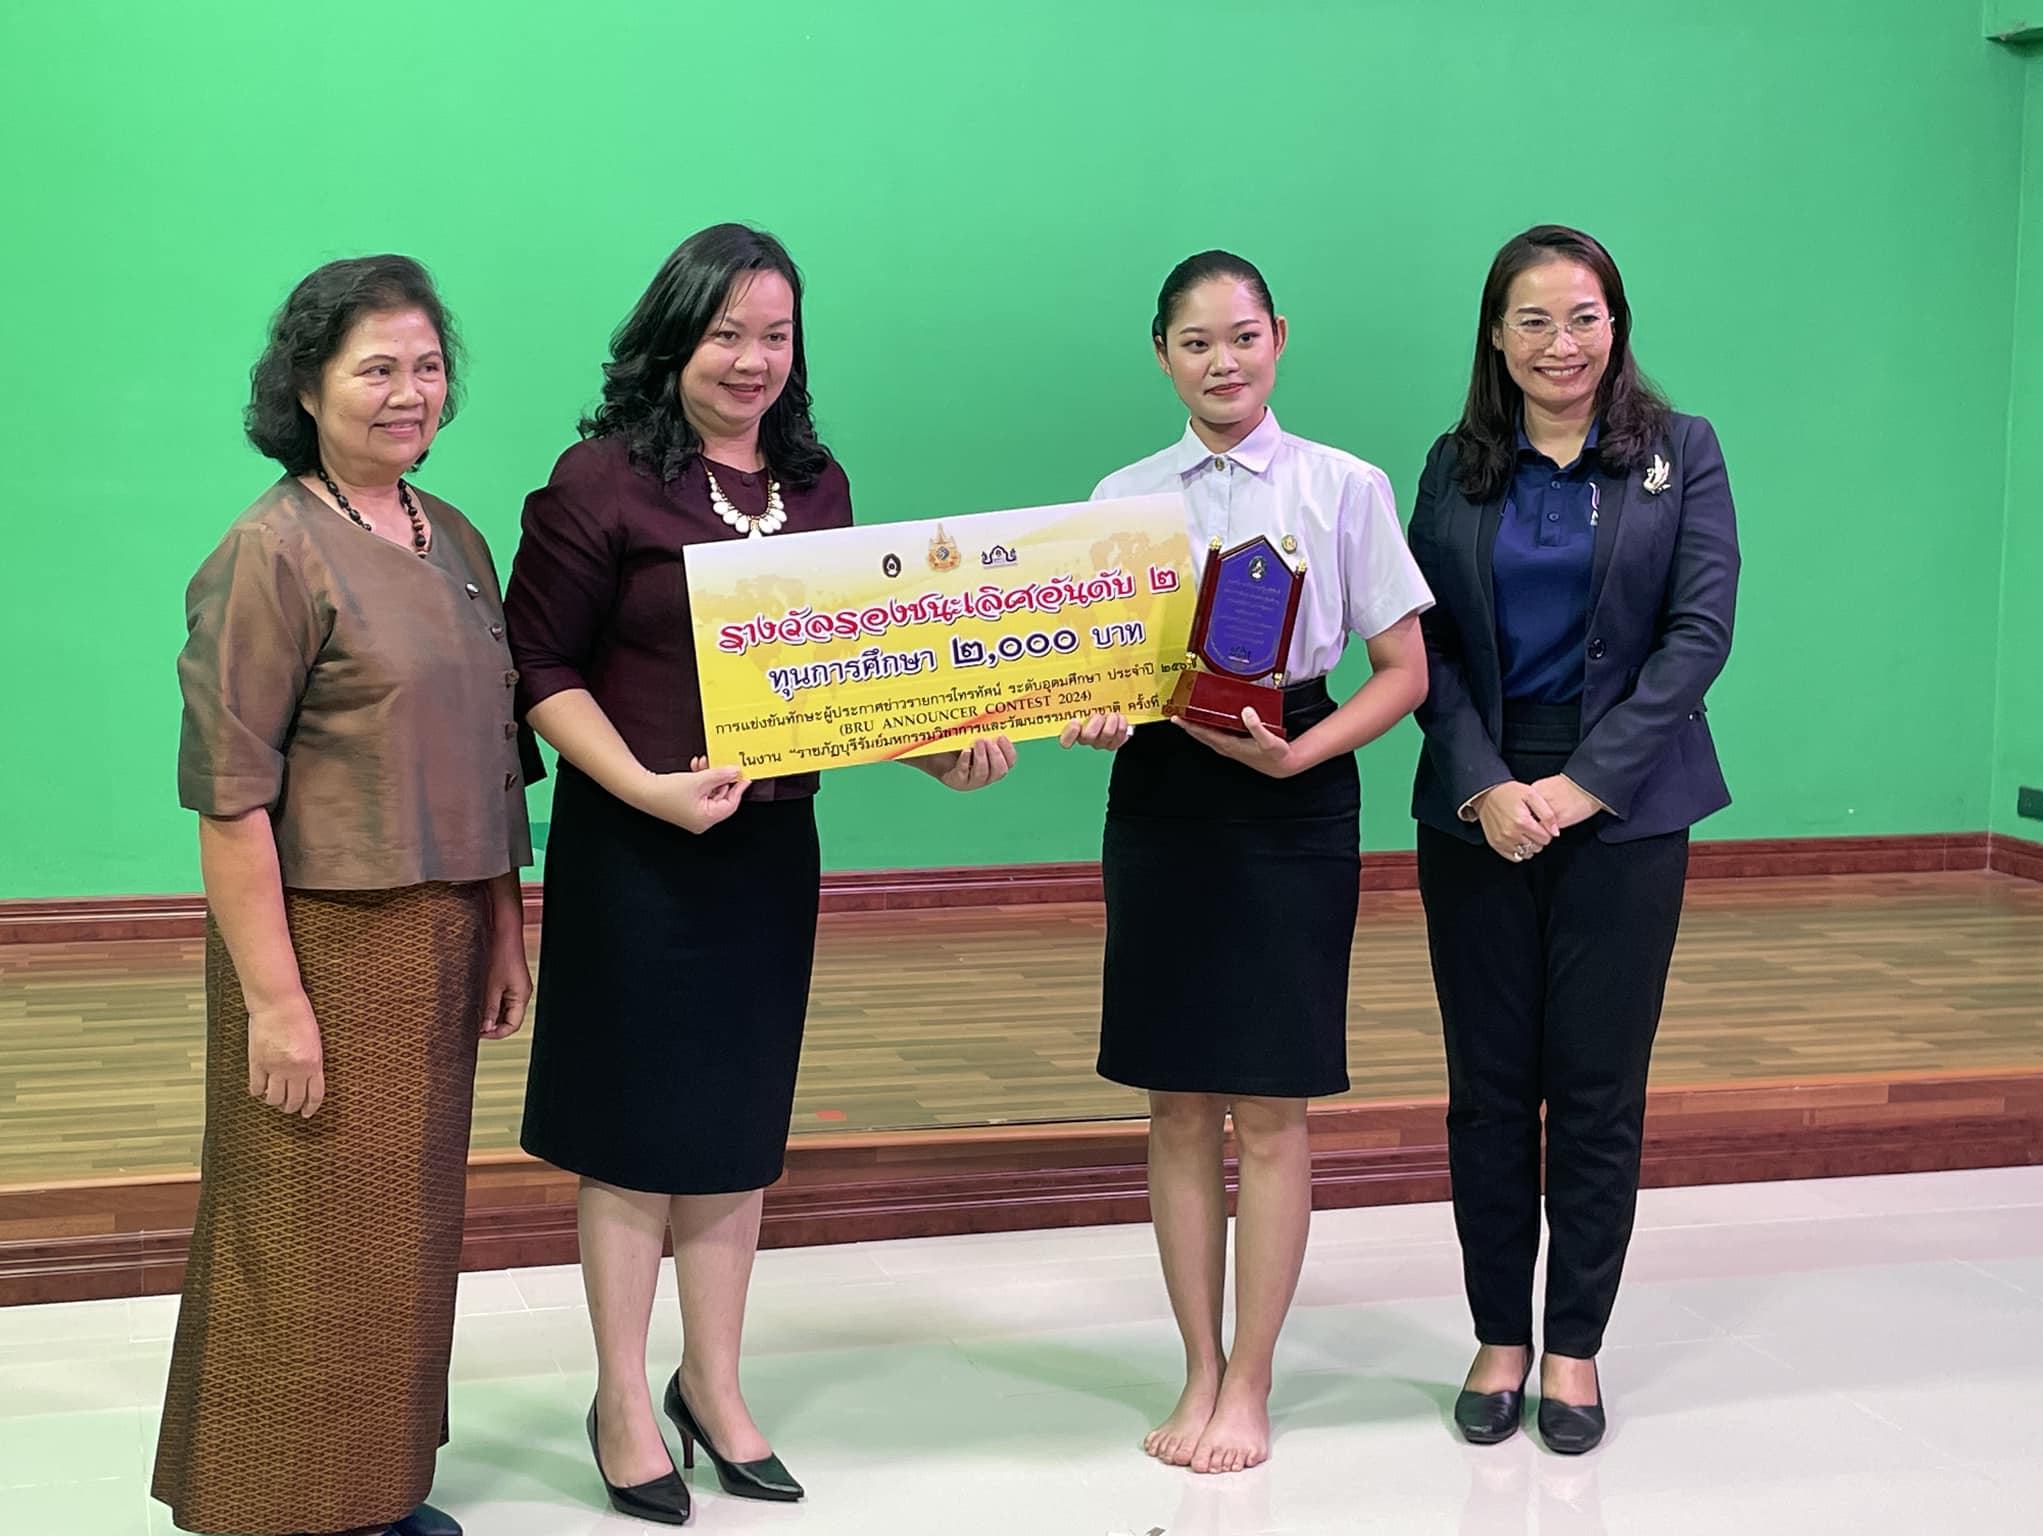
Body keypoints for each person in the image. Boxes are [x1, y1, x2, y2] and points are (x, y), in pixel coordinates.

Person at [503, 223, 1015, 1525]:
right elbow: (541, 671)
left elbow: (844, 680)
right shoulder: (597, 484)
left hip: (770, 856)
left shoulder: (819, 484)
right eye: (725, 332)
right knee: (629, 1141)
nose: (752, 359)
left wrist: (934, 751)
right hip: (635, 852)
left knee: (733, 1132)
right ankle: (623, 1397)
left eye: (775, 335)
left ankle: (713, 1389)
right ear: (671, 338)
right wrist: (642, 790)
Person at [154, 255, 533, 1536]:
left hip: (437, 931)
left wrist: (500, 924)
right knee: (300, 1230)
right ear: (306, 386)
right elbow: (228, 797)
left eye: (427, 367)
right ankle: (269, 1504)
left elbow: (486, 749)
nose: (407, 392)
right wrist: (273, 999)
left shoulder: (455, 535)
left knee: (403, 1230)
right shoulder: (269, 552)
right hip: (320, 942)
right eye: (376, 368)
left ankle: (371, 1489)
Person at [1063, 249, 1432, 1475]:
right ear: (1160, 354)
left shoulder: (1344, 488)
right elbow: (1100, 672)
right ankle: (1195, 1367)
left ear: (1277, 337)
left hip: (1294, 794)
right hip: (1163, 796)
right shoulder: (1121, 495)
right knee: (1175, 1102)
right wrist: (1098, 708)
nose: (1220, 362)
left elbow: (1404, 673)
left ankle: (1253, 1382)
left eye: (1240, 337)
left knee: (1270, 1108)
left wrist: (1301, 754)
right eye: (1192, 342)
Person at [1407, 224, 1739, 1455]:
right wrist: (1488, 783)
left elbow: (1695, 635)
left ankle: (1575, 1347)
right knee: (1488, 1090)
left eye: (1583, 316)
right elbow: (1417, 643)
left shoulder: (1679, 454)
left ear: (1616, 325)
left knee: (1595, 1092)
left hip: (1628, 806)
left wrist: (1583, 785)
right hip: (1476, 807)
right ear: (1495, 335)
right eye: (1533, 320)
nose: (1561, 342)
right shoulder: (1452, 463)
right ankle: (1499, 1334)